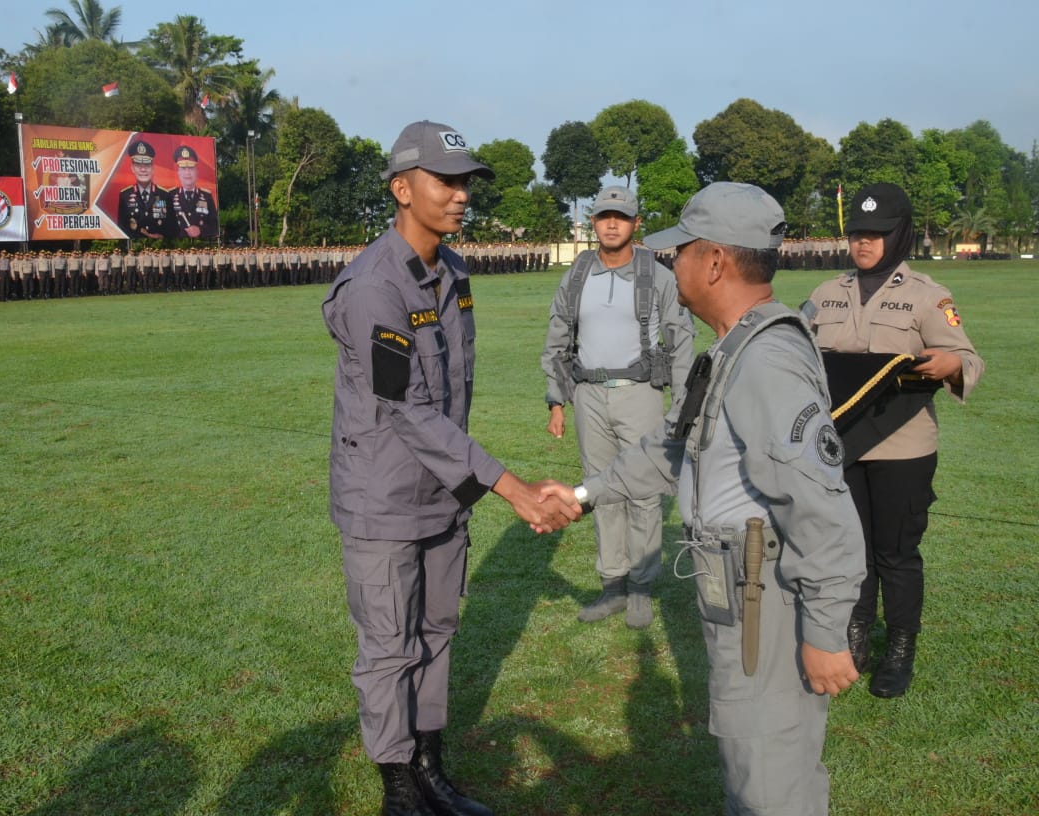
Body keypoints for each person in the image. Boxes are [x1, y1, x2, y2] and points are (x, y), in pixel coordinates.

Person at [543, 182, 865, 815]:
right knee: (748, 760)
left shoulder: (765, 361)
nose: (673, 263)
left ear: (715, 261)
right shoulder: (732, 349)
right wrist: (583, 494)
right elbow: (671, 448)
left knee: (770, 779)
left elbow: (822, 509)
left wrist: (826, 632)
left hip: (762, 596)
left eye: (682, 252)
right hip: (735, 591)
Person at [322, 120, 576, 816]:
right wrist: (511, 487)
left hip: (442, 493)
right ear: (402, 189)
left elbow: (452, 401)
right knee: (388, 647)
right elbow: (406, 409)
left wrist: (471, 486)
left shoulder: (455, 272)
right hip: (382, 496)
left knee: (438, 633)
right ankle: (399, 789)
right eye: (446, 180)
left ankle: (432, 768)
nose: (461, 195)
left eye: (466, 181)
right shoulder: (371, 286)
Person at [802, 182, 983, 698]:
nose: (864, 242)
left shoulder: (928, 296)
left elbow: (969, 359)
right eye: (858, 232)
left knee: (896, 554)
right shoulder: (824, 295)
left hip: (904, 448)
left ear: (899, 233)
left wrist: (952, 364)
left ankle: (899, 649)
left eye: (876, 233)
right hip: (840, 445)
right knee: (849, 550)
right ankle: (854, 634)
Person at [541, 184, 695, 628]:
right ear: (593, 222)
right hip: (589, 395)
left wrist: (681, 407)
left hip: (640, 393)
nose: (612, 223)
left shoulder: (658, 276)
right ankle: (612, 584)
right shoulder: (575, 275)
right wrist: (557, 401)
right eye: (604, 215)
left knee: (645, 493)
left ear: (635, 224)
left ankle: (642, 587)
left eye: (621, 217)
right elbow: (556, 340)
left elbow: (682, 343)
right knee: (601, 491)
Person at [118, 140, 174, 240]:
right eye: (138, 165)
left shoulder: (165, 195)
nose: (143, 170)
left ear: (153, 168)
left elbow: (173, 227)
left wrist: (163, 237)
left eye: (147, 165)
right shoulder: (125, 195)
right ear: (132, 168)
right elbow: (122, 227)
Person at [170, 145, 218, 239]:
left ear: (197, 172)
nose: (187, 173)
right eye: (183, 169)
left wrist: (200, 230)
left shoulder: (206, 196)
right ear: (178, 173)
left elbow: (215, 226)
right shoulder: (170, 195)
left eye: (191, 168)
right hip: (176, 243)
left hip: (200, 243)